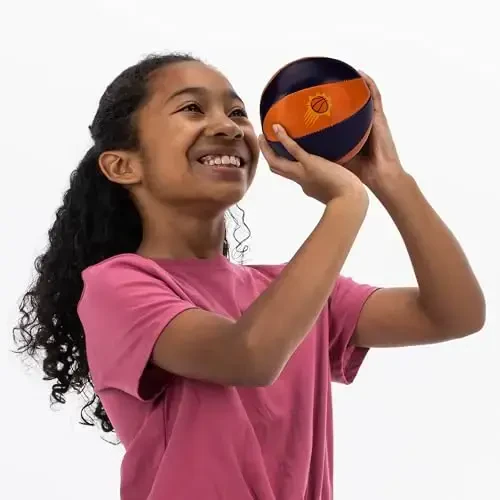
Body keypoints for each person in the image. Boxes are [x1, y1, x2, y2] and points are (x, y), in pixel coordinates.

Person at [13, 52, 485, 500]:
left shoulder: (291, 292)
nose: (228, 126)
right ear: (122, 165)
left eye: (238, 112)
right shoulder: (116, 287)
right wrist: (345, 205)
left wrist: (390, 180)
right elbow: (249, 355)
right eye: (192, 109)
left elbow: (454, 313)